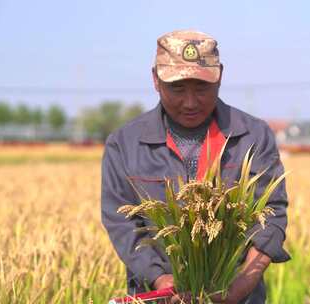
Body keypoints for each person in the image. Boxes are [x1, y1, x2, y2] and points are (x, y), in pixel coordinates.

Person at [101, 30, 290, 304]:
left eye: (202, 88)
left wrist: (238, 287)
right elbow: (121, 223)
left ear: (220, 76)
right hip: (159, 297)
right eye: (177, 88)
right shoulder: (124, 145)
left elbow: (272, 216)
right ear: (156, 79)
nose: (190, 102)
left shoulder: (253, 136)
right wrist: (160, 279)